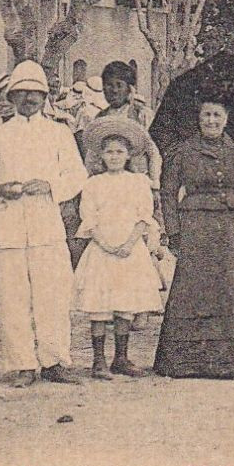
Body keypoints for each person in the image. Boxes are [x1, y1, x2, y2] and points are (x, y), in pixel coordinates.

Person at [0, 60, 87, 387]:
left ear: (45, 96)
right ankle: (22, 363)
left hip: (46, 227)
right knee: (12, 297)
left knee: (52, 295)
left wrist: (51, 186)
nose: (28, 99)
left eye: (35, 93)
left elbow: (77, 175)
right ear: (11, 97)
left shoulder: (59, 133)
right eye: (21, 93)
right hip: (6, 228)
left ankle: (54, 361)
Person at [153, 95, 234, 379]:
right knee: (196, 289)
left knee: (233, 287)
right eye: (206, 115)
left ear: (226, 118)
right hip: (198, 227)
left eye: (217, 115)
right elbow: (168, 192)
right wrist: (174, 231)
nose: (211, 121)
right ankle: (189, 361)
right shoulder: (183, 151)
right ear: (198, 118)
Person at [74, 133, 164, 379]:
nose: (114, 157)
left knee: (125, 303)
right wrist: (103, 243)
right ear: (101, 156)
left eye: (119, 152)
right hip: (102, 249)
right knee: (100, 304)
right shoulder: (93, 184)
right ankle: (98, 360)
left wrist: (129, 243)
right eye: (109, 152)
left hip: (129, 249)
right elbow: (88, 217)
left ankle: (121, 358)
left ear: (128, 155)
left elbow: (144, 216)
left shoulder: (138, 182)